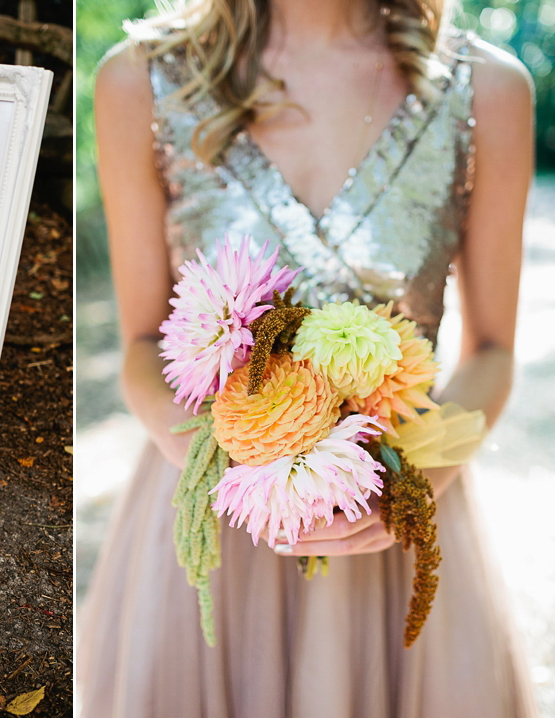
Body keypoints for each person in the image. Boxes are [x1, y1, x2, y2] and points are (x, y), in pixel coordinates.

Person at [79, 1, 535, 716]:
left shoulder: (488, 89)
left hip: (399, 514)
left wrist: (414, 485)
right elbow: (140, 346)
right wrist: (238, 467)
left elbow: (494, 351)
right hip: (210, 523)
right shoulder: (139, 82)